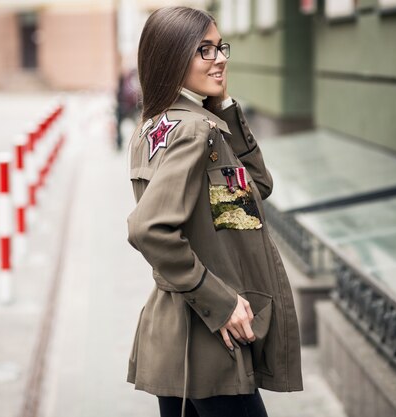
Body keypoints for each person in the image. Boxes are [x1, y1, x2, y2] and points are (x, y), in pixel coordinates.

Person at [126, 7, 303, 417]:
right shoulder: (193, 131)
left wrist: (223, 106)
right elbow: (149, 230)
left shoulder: (156, 126)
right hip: (210, 342)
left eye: (219, 46)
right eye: (203, 50)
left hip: (173, 337)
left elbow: (255, 191)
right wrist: (221, 303)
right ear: (172, 57)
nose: (220, 57)